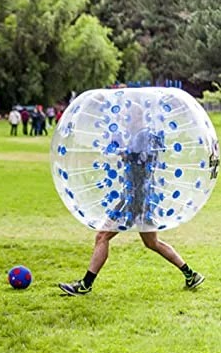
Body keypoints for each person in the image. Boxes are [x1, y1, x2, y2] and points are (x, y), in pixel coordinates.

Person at [59, 111, 205, 296]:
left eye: (127, 116)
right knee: (152, 243)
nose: (123, 120)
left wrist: (120, 150)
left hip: (135, 198)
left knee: (102, 236)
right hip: (140, 196)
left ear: (138, 117)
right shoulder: (147, 135)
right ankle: (191, 275)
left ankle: (86, 285)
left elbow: (137, 159)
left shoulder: (142, 136)